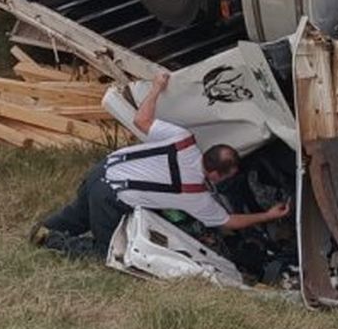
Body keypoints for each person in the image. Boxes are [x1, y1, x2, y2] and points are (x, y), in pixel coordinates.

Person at [32, 70, 289, 257]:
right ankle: (55, 243)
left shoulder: (183, 140)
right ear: (213, 173)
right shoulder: (194, 195)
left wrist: (156, 87)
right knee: (107, 252)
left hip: (103, 169)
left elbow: (142, 120)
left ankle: (42, 231)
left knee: (79, 215)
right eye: (225, 176)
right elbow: (227, 221)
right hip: (111, 196)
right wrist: (267, 215)